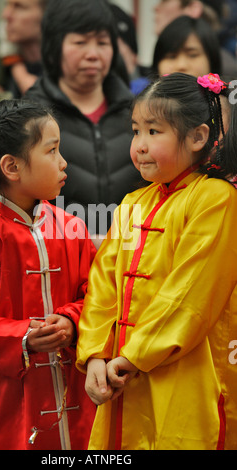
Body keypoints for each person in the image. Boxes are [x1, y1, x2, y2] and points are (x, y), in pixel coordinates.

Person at [76, 72, 237, 450]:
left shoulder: (217, 199)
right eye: (135, 131)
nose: (140, 145)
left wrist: (133, 356)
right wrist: (96, 354)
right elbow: (102, 286)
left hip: (184, 371)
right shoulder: (134, 202)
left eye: (154, 131)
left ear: (198, 137)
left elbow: (190, 295)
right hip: (120, 371)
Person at [0, 99, 97, 450]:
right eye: (52, 151)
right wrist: (20, 337)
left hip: (75, 400)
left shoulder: (71, 228)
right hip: (5, 407)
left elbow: (98, 296)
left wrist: (71, 321)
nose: (63, 162)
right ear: (12, 166)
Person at [24, 0, 138, 246]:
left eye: (103, 42)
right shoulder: (29, 116)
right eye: (80, 42)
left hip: (130, 260)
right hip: (57, 260)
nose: (93, 54)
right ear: (56, 47)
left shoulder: (139, 112)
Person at [153, 0, 237, 76]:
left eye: (192, 55)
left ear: (193, 8)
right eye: (171, 56)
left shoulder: (228, 75)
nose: (155, 8)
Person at [0, 0, 48, 97]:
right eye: (7, 5)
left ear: (47, 14)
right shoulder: (0, 64)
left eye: (19, 7)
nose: (6, 15)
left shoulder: (64, 67)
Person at [152, 15, 222, 77]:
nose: (181, 66)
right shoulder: (142, 91)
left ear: (212, 60)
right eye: (171, 57)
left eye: (192, 55)